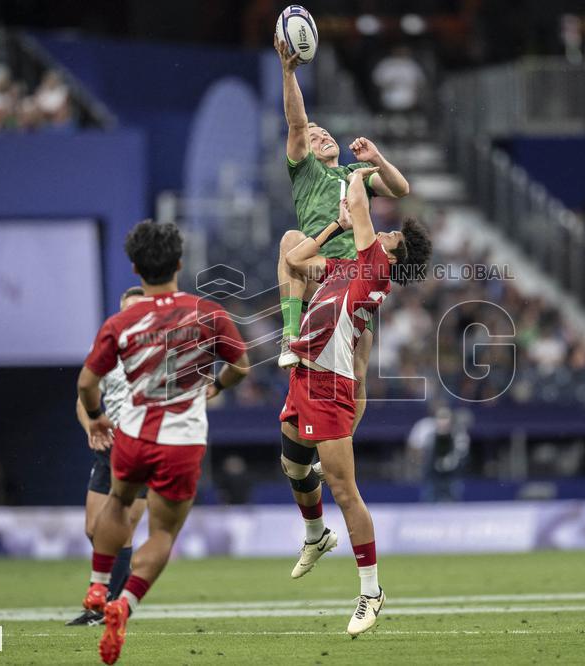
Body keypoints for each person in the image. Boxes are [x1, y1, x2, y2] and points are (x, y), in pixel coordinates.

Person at [77, 221, 250, 664]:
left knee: (118, 502)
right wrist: (217, 386)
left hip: (132, 435)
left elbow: (86, 383)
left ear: (135, 268)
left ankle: (98, 583)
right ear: (178, 263)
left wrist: (97, 419)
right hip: (182, 441)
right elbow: (242, 366)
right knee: (163, 531)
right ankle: (124, 603)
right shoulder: (207, 313)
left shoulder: (121, 322)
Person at [278, 166, 431, 636]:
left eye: (390, 235)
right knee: (293, 466)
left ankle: (371, 591)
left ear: (392, 255)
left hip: (328, 385)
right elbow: (296, 260)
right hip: (305, 375)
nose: (383, 232)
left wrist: (360, 174)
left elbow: (362, 206)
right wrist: (334, 227)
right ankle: (316, 535)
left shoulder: (376, 267)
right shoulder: (355, 265)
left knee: (346, 492)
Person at [273, 35, 411, 436]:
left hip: (356, 276)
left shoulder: (355, 175)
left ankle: (341, 442)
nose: (322, 136)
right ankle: (289, 335)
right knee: (289, 242)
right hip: (323, 269)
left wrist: (376, 159)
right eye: (315, 138)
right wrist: (288, 72)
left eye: (325, 133)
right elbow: (297, 122)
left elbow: (401, 189)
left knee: (360, 373)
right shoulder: (305, 171)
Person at [66, 286, 151, 627]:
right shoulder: (106, 347)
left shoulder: (159, 351)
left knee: (122, 531)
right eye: (127, 310)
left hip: (141, 448)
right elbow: (82, 397)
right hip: (107, 450)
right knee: (93, 529)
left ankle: (104, 606)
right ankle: (116, 594)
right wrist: (90, 426)